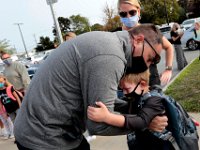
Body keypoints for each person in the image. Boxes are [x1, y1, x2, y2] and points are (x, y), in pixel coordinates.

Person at [14, 24, 168, 150]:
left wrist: (136, 110)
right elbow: (99, 125)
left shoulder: (107, 42)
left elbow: (100, 104)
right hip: (44, 138)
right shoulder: (110, 57)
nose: (150, 64)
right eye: (151, 58)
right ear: (139, 40)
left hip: (46, 130)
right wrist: (145, 124)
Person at [87, 69, 174, 150]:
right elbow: (126, 106)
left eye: (127, 89)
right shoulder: (137, 97)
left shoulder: (155, 100)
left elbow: (141, 121)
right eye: (122, 89)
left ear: (142, 84)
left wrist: (107, 117)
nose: (124, 93)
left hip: (159, 146)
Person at [116, 0, 174, 86]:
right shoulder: (115, 35)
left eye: (132, 12)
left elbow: (169, 46)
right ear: (119, 15)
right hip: (126, 89)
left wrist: (168, 69)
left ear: (138, 11)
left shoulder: (149, 30)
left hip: (152, 85)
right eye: (123, 14)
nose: (128, 16)